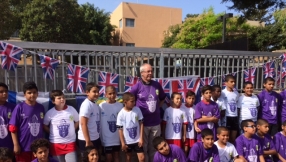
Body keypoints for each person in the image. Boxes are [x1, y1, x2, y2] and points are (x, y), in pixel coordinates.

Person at [130, 63, 166, 162]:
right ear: (142, 73)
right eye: (148, 71)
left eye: (151, 71)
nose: (150, 73)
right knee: (144, 148)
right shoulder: (136, 87)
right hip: (143, 124)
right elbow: (129, 101)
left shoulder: (157, 85)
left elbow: (162, 98)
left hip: (156, 123)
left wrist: (157, 108)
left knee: (155, 148)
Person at [9, 81, 45, 162]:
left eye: (34, 92)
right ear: (24, 95)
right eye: (29, 93)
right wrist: (16, 145)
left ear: (37, 94)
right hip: (23, 147)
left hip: (38, 148)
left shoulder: (41, 107)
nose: (32, 95)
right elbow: (13, 128)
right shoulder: (19, 107)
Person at [43, 90, 79, 162]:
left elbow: (77, 121)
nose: (62, 99)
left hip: (70, 144)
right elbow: (44, 125)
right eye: (59, 98)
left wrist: (72, 129)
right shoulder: (50, 113)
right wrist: (51, 132)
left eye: (63, 97)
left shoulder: (71, 109)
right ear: (53, 101)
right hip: (56, 145)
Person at [116, 92, 144, 162]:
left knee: (142, 158)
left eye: (134, 101)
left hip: (137, 140)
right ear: (125, 102)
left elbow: (141, 124)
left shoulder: (137, 110)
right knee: (128, 158)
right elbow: (120, 130)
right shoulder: (121, 114)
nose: (134, 103)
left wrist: (141, 138)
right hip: (127, 141)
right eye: (132, 101)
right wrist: (123, 143)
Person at [99, 86, 123, 162]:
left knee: (117, 156)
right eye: (109, 94)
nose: (112, 96)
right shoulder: (101, 106)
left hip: (117, 137)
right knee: (108, 158)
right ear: (105, 94)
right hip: (106, 139)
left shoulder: (120, 106)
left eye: (113, 93)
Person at [78, 82, 101, 152]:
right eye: (94, 92)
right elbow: (83, 123)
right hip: (87, 139)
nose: (97, 94)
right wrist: (88, 141)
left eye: (98, 92)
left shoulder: (94, 104)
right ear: (87, 92)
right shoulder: (86, 105)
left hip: (95, 137)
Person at [222, 75, 240, 144]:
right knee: (226, 137)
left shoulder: (236, 93)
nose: (233, 83)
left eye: (234, 82)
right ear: (226, 83)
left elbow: (237, 104)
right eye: (231, 82)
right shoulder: (223, 93)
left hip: (235, 117)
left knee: (233, 137)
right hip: (227, 117)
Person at [0, 83, 16, 150]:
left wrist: (16, 144)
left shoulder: (13, 107)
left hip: (9, 145)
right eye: (1, 92)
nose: (4, 93)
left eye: (6, 91)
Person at [181, 90, 196, 155]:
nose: (191, 100)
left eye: (193, 98)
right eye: (189, 98)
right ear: (186, 99)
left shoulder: (195, 108)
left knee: (192, 151)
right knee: (185, 150)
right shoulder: (181, 106)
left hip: (192, 133)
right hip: (184, 133)